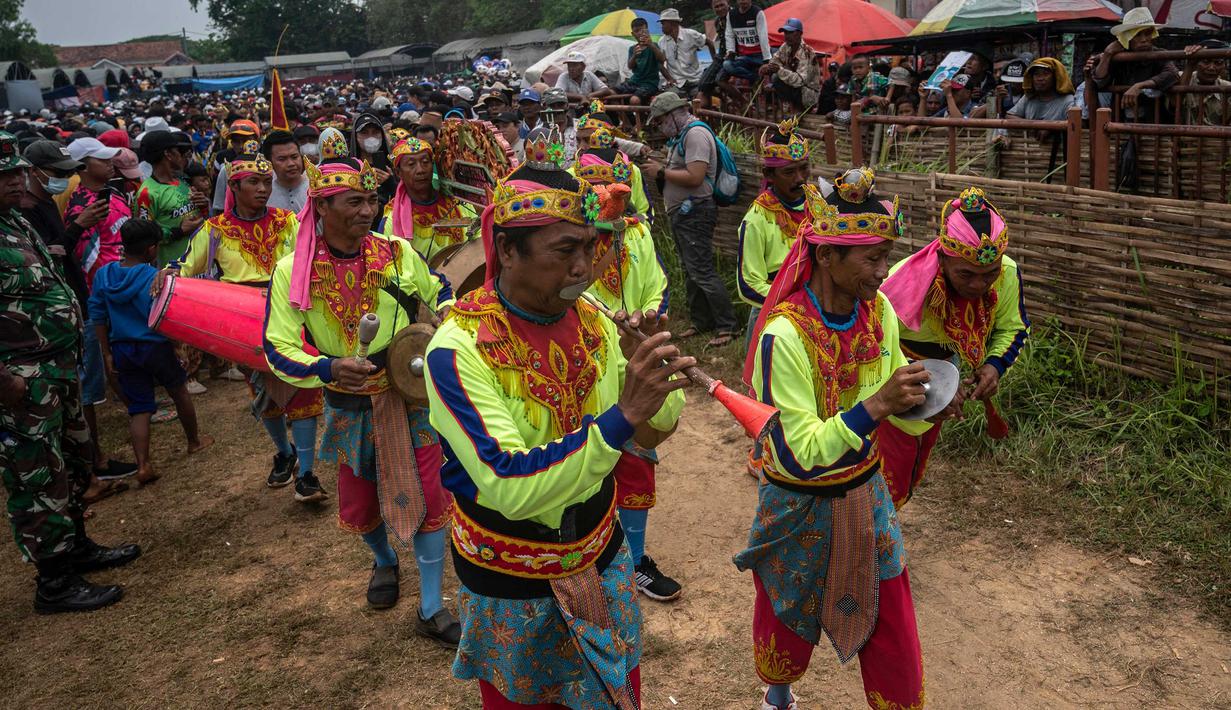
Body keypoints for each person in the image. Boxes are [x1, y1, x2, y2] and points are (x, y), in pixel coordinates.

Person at [424, 135, 688, 708]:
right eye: (565, 250)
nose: (584, 268)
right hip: (511, 573)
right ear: (509, 251)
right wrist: (622, 416)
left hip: (600, 548)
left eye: (591, 249)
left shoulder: (591, 319)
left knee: (615, 689)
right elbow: (509, 483)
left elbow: (651, 433)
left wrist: (656, 382)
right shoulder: (458, 348)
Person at [735, 168, 947, 710]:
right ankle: (778, 695)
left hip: (863, 488)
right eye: (871, 259)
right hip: (796, 497)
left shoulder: (878, 312)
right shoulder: (783, 335)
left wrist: (927, 398)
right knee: (787, 604)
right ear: (826, 256)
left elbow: (895, 383)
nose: (884, 270)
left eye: (886, 255)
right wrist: (877, 404)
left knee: (892, 610)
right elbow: (797, 449)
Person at [262, 155, 460, 644]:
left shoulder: (396, 252)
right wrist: (327, 367)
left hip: (408, 392)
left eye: (371, 199)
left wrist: (446, 325)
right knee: (359, 496)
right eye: (353, 201)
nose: (366, 209)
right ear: (322, 207)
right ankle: (384, 560)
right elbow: (277, 346)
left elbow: (442, 293)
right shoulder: (294, 270)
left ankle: (432, 605)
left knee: (431, 492)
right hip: (347, 398)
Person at [0, 131, 142, 614]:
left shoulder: (16, 222)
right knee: (38, 478)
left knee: (73, 464)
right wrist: (7, 383)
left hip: (58, 370)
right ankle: (55, 581)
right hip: (22, 382)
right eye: (7, 175)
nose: (18, 181)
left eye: (19, 171)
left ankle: (76, 544)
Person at [167, 144, 325, 499]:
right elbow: (185, 266)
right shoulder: (215, 229)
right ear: (233, 187)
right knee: (266, 394)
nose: (263, 189)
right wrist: (167, 275)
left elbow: (312, 255)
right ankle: (284, 454)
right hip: (243, 322)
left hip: (289, 313)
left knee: (304, 388)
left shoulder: (287, 222)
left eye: (266, 182)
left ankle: (308, 473)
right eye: (253, 182)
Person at [574, 135, 681, 601]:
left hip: (632, 356)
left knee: (638, 460)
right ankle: (587, 557)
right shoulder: (567, 243)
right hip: (584, 365)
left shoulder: (635, 232)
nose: (609, 240)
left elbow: (655, 281)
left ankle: (634, 560)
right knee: (583, 464)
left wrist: (648, 314)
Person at [878, 187, 1030, 508]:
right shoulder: (901, 286)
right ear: (943, 258)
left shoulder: (1008, 274)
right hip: (892, 379)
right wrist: (930, 384)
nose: (979, 285)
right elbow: (873, 348)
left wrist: (994, 365)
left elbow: (1012, 327)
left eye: (990, 273)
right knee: (886, 467)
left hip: (946, 374)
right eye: (966, 274)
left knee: (915, 459)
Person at [21, 139, 138, 493]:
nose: (64, 178)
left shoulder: (44, 203)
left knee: (86, 388)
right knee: (85, 391)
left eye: (66, 172)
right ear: (35, 173)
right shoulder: (30, 210)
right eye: (58, 173)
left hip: (76, 303)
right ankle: (91, 467)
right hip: (56, 316)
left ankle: (94, 463)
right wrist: (78, 226)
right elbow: (47, 257)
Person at [89, 219, 213, 485]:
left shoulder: (104, 275)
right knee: (178, 390)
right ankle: (194, 441)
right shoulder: (152, 276)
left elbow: (97, 314)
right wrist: (177, 347)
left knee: (139, 408)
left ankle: (143, 464)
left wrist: (106, 351)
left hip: (122, 348)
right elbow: (163, 316)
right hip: (154, 345)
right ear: (151, 249)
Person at [642, 92, 740, 347]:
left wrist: (661, 171)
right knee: (691, 269)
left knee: (702, 270)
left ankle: (727, 326)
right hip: (684, 212)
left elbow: (695, 176)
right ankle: (702, 321)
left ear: (675, 114)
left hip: (696, 211)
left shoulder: (695, 135)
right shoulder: (681, 137)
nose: (660, 125)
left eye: (662, 119)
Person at [737, 120, 819, 340]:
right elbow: (749, 284)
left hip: (819, 308)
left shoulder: (819, 205)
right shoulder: (756, 219)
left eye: (804, 168)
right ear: (769, 174)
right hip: (775, 312)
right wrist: (795, 301)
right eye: (789, 172)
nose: (800, 178)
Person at [380, 137, 477, 261]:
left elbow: (478, 239)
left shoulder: (458, 204)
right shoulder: (393, 219)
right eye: (411, 164)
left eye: (425, 162)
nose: (420, 170)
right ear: (398, 172)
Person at [1088, 7, 1179, 121]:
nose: (1144, 39)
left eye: (1148, 33)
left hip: (1154, 124)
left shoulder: (1160, 55)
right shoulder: (1118, 57)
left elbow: (1172, 73)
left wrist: (1139, 86)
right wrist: (1107, 54)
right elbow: (1099, 81)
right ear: (1128, 38)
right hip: (1121, 123)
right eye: (1137, 35)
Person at [136, 130, 207, 268]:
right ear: (168, 154)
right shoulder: (147, 193)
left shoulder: (182, 181)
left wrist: (203, 205)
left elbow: (198, 217)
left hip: (199, 264)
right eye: (178, 151)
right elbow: (144, 236)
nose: (182, 156)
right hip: (173, 272)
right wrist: (178, 232)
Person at [616, 16, 672, 131]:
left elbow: (662, 60)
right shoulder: (633, 48)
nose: (640, 34)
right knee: (611, 94)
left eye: (642, 30)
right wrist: (635, 56)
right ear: (633, 34)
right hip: (634, 81)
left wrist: (650, 44)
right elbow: (630, 66)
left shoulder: (654, 46)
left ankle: (640, 124)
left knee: (634, 100)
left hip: (649, 83)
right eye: (637, 31)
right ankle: (627, 123)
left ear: (647, 30)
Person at [759, 18, 821, 113]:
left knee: (777, 77)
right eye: (785, 33)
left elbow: (800, 81)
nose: (787, 36)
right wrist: (768, 67)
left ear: (800, 33)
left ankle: (798, 108)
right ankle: (784, 106)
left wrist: (779, 70)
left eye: (790, 32)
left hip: (808, 94)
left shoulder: (807, 52)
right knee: (772, 75)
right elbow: (775, 60)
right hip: (795, 89)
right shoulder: (786, 46)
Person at [659, 8, 713, 98]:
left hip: (695, 80)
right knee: (670, 100)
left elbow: (709, 43)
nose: (662, 27)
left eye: (663, 23)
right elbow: (660, 63)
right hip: (677, 83)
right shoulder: (662, 41)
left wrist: (714, 63)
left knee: (700, 101)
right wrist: (669, 78)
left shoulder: (690, 35)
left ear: (672, 23)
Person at [723, 0, 772, 92]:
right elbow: (729, 35)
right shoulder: (731, 14)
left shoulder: (758, 13)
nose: (743, 1)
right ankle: (754, 77)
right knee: (727, 65)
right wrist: (730, 51)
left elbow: (763, 36)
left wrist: (766, 60)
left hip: (759, 55)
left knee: (771, 71)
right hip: (744, 57)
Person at [1180, 39, 1231, 125]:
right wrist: (1190, 65)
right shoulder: (1183, 78)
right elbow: (1175, 101)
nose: (1211, 67)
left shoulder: (1227, 88)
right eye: (1206, 62)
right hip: (1184, 136)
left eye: (1218, 63)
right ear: (1196, 63)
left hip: (1216, 137)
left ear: (1224, 66)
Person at [262, 130, 309, 213]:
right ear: (269, 162)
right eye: (282, 159)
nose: (291, 164)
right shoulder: (264, 194)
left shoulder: (315, 189)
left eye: (294, 157)